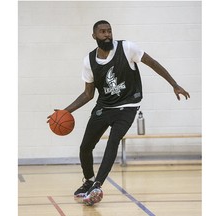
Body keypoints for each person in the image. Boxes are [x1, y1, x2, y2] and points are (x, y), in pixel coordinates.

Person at [47, 20, 190, 206]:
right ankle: (89, 181)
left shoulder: (127, 48)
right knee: (85, 147)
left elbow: (152, 63)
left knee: (113, 141)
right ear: (94, 36)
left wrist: (174, 84)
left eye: (109, 31)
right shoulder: (89, 60)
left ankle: (97, 186)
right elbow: (88, 94)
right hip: (104, 107)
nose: (107, 34)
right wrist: (66, 111)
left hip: (128, 106)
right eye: (102, 32)